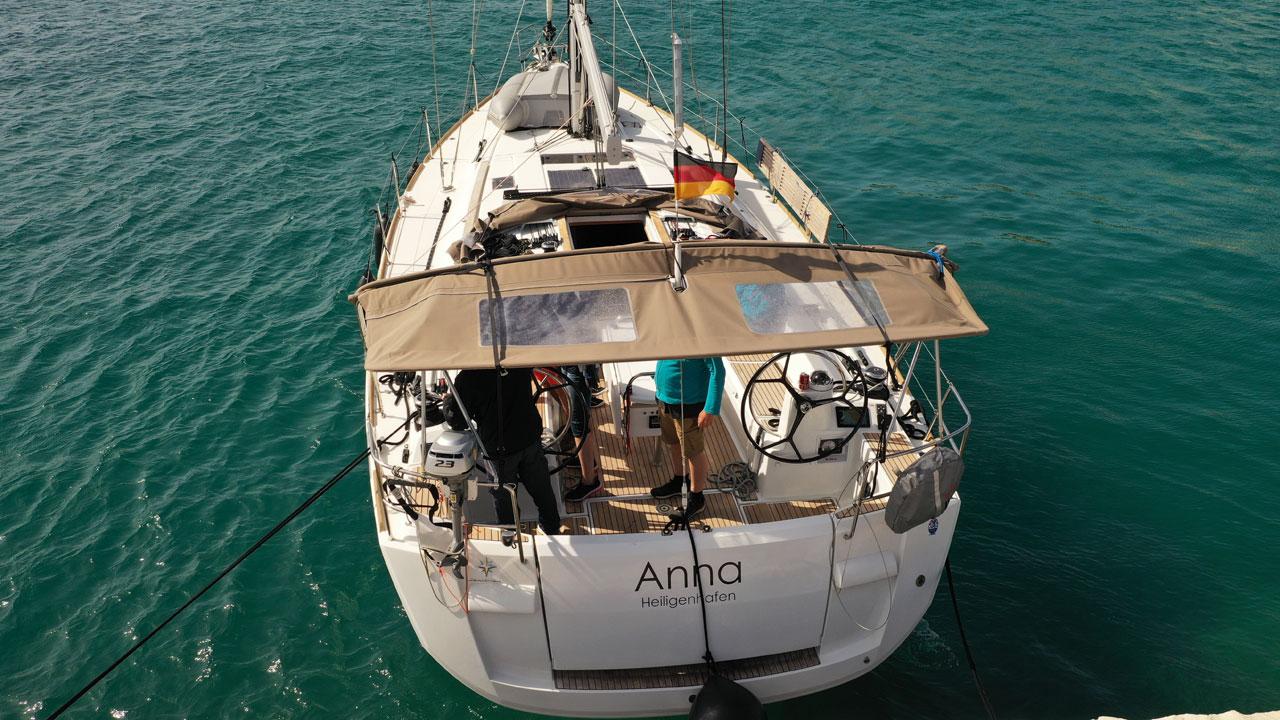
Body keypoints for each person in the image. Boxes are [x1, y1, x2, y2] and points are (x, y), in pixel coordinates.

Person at [445, 368, 561, 535]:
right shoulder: (518, 361)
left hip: (499, 451)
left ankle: (510, 535)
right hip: (529, 437)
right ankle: (552, 528)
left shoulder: (468, 377)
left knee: (504, 497)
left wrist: (448, 401)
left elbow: (458, 421)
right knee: (541, 487)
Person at [649, 356, 726, 518]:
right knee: (674, 442)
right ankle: (679, 480)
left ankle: (697, 498)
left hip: (688, 406)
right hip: (665, 399)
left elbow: (718, 371)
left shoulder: (703, 341)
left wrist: (710, 408)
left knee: (693, 452)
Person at [559, 365, 605, 502]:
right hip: (573, 367)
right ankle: (588, 461)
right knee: (582, 419)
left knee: (579, 425)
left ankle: (589, 482)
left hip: (578, 370)